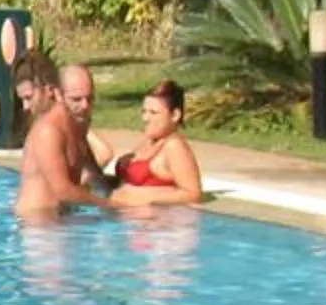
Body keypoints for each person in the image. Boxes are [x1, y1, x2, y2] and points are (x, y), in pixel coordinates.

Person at [12, 50, 99, 220]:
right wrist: (112, 205)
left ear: (50, 91)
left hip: (55, 226)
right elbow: (63, 191)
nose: (25, 107)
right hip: (39, 228)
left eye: (29, 98)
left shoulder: (73, 127)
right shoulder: (47, 131)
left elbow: (96, 176)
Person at [104, 78, 207, 208]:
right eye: (144, 111)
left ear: (175, 115)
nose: (145, 118)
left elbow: (193, 194)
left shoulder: (174, 147)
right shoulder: (150, 141)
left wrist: (146, 198)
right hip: (129, 222)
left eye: (153, 113)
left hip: (151, 224)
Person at [56, 63, 115, 199]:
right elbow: (62, 193)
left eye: (90, 99)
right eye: (76, 99)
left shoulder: (77, 132)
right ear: (58, 95)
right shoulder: (51, 136)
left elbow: (97, 174)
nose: (85, 106)